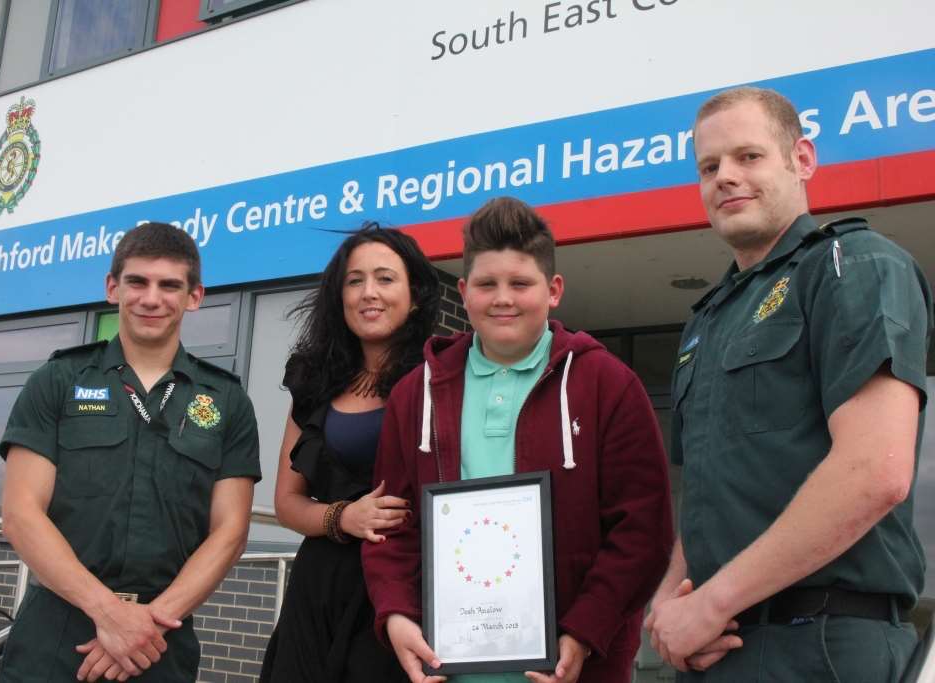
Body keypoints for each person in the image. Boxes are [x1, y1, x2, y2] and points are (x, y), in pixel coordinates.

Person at [644, 87, 934, 682]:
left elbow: (874, 472)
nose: (725, 177)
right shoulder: (707, 319)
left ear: (801, 160)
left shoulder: (853, 265)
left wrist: (712, 602)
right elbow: (706, 494)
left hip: (822, 646)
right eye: (709, 167)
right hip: (715, 650)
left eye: (747, 157)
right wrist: (672, 599)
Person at [361, 196, 674, 683]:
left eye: (520, 283)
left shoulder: (608, 385)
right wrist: (396, 613)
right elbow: (391, 525)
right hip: (447, 669)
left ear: (553, 290)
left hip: (574, 668)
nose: (502, 298)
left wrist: (585, 631)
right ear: (463, 292)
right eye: (486, 284)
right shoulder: (413, 395)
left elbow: (642, 533)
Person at [0, 222, 260, 682]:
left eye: (169, 285)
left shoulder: (226, 400)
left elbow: (230, 532)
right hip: (58, 632)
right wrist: (110, 614)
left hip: (162, 639)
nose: (151, 298)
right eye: (137, 281)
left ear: (194, 296)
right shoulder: (58, 380)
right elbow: (21, 513)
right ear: (112, 287)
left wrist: (146, 626)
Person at [260, 224, 441, 683]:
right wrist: (344, 518)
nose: (368, 293)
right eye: (354, 281)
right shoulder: (312, 379)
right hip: (321, 587)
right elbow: (287, 502)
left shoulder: (442, 378)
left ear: (414, 293)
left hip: (403, 590)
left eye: (385, 278)